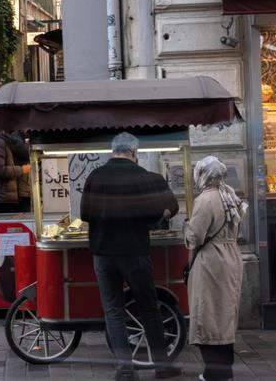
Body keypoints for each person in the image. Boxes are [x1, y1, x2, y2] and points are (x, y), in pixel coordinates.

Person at [80, 132, 181, 381]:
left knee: (114, 310)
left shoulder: (95, 176)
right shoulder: (148, 178)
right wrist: (162, 215)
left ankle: (125, 368)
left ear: (112, 151)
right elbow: (171, 206)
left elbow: (85, 215)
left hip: (103, 253)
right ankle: (161, 365)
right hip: (135, 251)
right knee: (149, 308)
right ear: (134, 153)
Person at [186, 156, 246, 381]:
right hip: (231, 256)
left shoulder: (205, 199)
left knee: (208, 314)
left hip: (212, 261)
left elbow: (195, 236)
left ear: (203, 175)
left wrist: (187, 235)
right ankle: (225, 370)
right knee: (225, 315)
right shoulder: (229, 194)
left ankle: (214, 372)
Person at [0, 131, 31, 212]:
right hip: (19, 184)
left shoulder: (15, 138)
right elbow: (27, 152)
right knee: (23, 213)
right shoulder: (13, 138)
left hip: (19, 185)